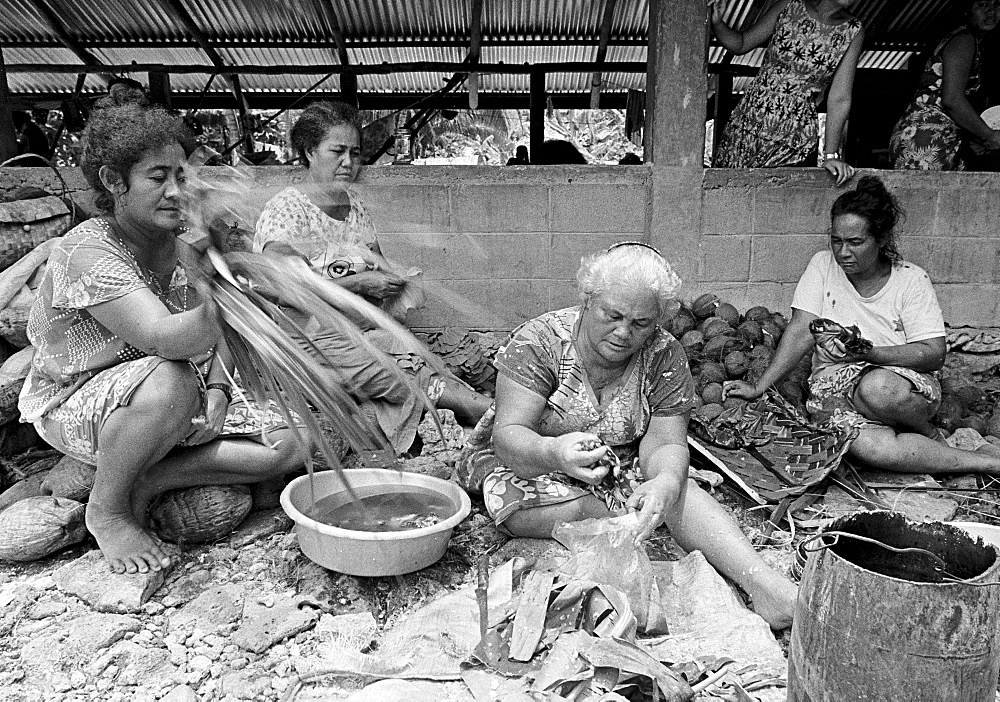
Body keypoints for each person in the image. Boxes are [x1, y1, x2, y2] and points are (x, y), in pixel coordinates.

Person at [17, 92, 306, 575]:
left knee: (295, 441)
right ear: (114, 182)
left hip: (179, 392)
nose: (176, 190)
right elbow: (166, 339)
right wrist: (221, 292)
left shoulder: (180, 241)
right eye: (157, 177)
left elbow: (217, 337)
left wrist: (217, 387)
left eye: (180, 175)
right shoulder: (85, 249)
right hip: (85, 401)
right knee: (170, 379)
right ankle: (106, 509)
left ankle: (150, 479)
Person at [460, 243, 797, 629]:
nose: (624, 332)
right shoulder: (539, 343)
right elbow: (509, 435)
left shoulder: (664, 354)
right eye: (613, 315)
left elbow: (666, 442)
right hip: (531, 463)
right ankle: (611, 516)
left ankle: (764, 584)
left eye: (641, 323)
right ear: (588, 299)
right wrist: (555, 452)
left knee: (678, 492)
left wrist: (665, 483)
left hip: (618, 465)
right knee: (516, 506)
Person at [254, 101, 491, 454]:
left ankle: (471, 416)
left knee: (414, 354)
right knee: (396, 373)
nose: (348, 162)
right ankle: (478, 412)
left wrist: (394, 281)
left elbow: (376, 264)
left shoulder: (356, 207)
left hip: (356, 330)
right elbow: (283, 290)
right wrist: (357, 285)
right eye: (337, 151)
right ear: (309, 152)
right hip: (306, 338)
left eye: (355, 153)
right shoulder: (287, 210)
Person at [724, 176, 1000, 476]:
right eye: (836, 241)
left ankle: (926, 431)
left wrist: (871, 355)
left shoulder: (911, 279)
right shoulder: (822, 266)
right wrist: (759, 386)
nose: (843, 252)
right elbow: (802, 328)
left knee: (877, 389)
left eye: (855, 243)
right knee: (870, 448)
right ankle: (985, 462)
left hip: (901, 388)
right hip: (835, 388)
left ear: (881, 239)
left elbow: (934, 354)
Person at [710, 0, 864, 185]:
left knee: (771, 198)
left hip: (793, 138)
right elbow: (741, 44)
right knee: (726, 187)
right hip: (748, 124)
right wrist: (717, 23)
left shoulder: (853, 31)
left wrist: (831, 155)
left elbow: (840, 98)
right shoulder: (790, 5)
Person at [889, 0, 1000, 170]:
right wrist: (989, 135)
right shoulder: (964, 40)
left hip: (929, 138)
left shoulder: (969, 41)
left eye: (997, 4)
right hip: (926, 140)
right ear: (966, 10)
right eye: (982, 4)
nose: (991, 11)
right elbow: (952, 100)